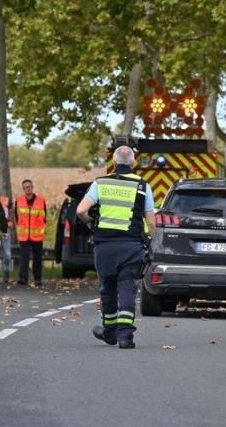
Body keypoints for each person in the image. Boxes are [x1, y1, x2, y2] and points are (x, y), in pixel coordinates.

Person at [77, 145, 156, 349]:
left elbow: (81, 210)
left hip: (105, 247)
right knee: (128, 288)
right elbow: (151, 221)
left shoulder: (100, 183)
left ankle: (109, 332)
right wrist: (149, 240)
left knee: (108, 288)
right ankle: (125, 337)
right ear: (133, 163)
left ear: (113, 163)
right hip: (131, 246)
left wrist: (91, 224)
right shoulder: (142, 186)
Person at [15, 179, 46, 286]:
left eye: (29, 186)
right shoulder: (18, 200)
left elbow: (44, 217)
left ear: (32, 187)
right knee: (24, 257)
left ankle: (37, 279)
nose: (28, 189)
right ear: (23, 189)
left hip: (37, 235)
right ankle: (23, 279)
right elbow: (16, 216)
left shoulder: (41, 201)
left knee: (37, 258)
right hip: (24, 236)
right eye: (25, 187)